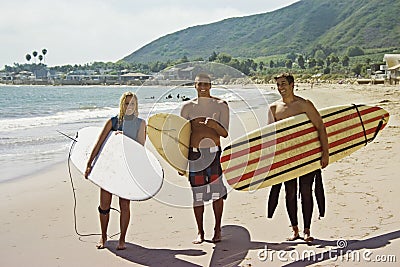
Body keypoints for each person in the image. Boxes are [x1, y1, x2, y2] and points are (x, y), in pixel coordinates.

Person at [267, 73, 329, 242]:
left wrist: (325, 152)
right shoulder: (274, 109)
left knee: (306, 192)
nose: (281, 88)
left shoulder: (305, 105)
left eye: (284, 84)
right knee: (290, 193)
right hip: (287, 158)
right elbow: (270, 136)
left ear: (292, 84)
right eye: (278, 84)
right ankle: (295, 230)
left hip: (308, 155)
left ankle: (307, 230)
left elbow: (320, 127)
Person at [84, 92, 146, 250]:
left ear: (136, 106)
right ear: (122, 105)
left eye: (132, 104)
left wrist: (125, 138)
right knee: (104, 205)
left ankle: (122, 239)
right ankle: (103, 236)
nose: (129, 107)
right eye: (126, 104)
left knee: (124, 205)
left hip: (127, 169)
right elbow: (98, 144)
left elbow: (140, 148)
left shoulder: (141, 123)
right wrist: (89, 164)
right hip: (109, 169)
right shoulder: (113, 121)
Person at [180, 73, 230, 244]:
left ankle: (217, 229)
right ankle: (200, 232)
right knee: (197, 195)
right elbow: (182, 136)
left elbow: (225, 133)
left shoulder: (221, 105)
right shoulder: (187, 107)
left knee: (217, 193)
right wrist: (181, 163)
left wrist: (214, 125)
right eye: (199, 84)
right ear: (194, 85)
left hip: (214, 153)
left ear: (211, 86)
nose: (203, 87)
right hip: (195, 155)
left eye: (206, 84)